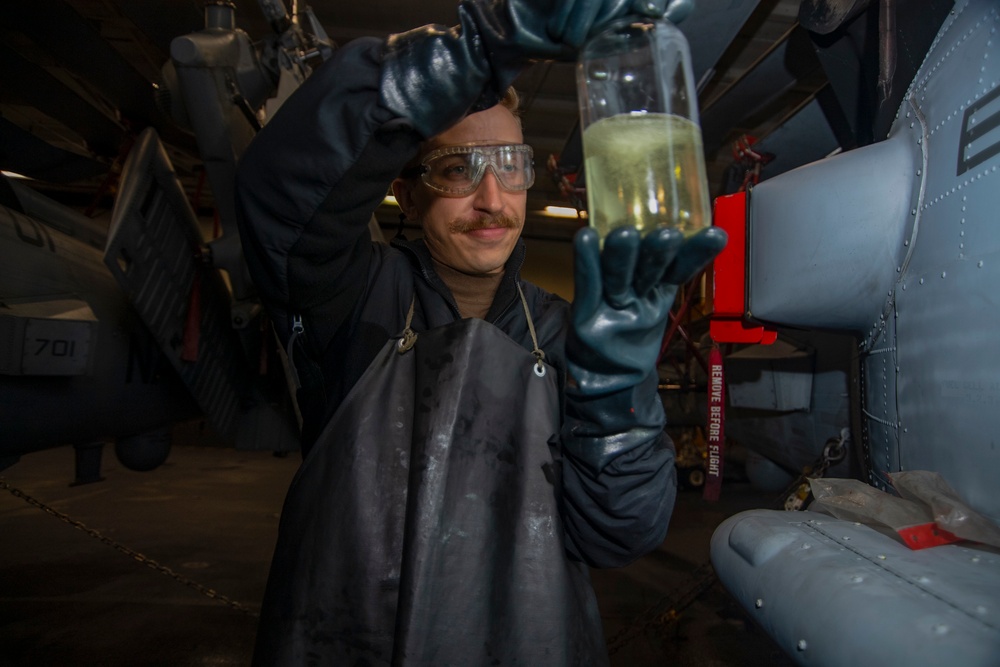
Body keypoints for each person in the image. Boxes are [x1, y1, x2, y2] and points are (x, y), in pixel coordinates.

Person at [235, 0, 726, 664]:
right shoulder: (350, 297)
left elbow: (623, 532)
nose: (492, 199)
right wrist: (474, 46)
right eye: (457, 169)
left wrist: (616, 394)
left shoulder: (566, 331)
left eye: (510, 165)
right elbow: (282, 189)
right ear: (407, 195)